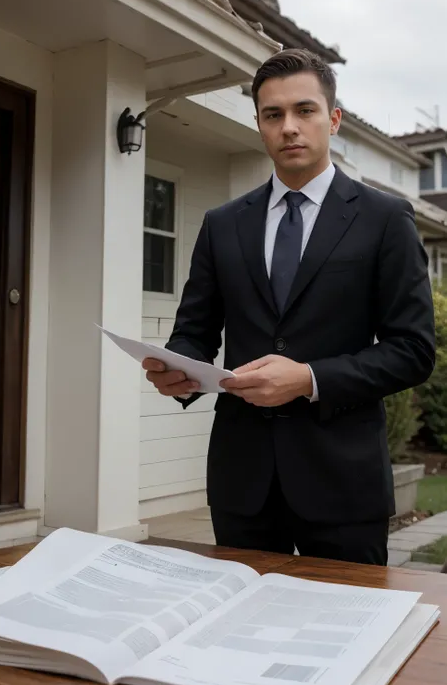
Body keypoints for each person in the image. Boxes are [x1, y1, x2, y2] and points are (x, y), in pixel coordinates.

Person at [143, 48, 435, 565]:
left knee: (344, 633)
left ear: (333, 119)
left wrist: (308, 379)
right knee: (237, 635)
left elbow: (412, 350)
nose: (290, 127)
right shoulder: (223, 224)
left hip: (342, 481)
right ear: (259, 124)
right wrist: (178, 368)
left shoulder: (385, 219)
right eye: (273, 115)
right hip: (243, 479)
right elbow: (195, 331)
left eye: (305, 111)